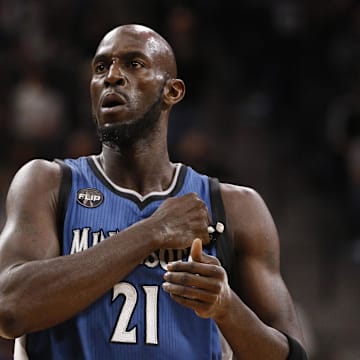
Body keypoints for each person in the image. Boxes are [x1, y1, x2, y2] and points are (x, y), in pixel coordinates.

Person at [0, 24, 307, 359]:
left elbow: (292, 355)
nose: (112, 77)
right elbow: (9, 308)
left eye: (134, 64)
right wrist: (153, 231)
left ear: (171, 91)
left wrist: (227, 307)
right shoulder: (48, 183)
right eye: (101, 67)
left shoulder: (236, 207)